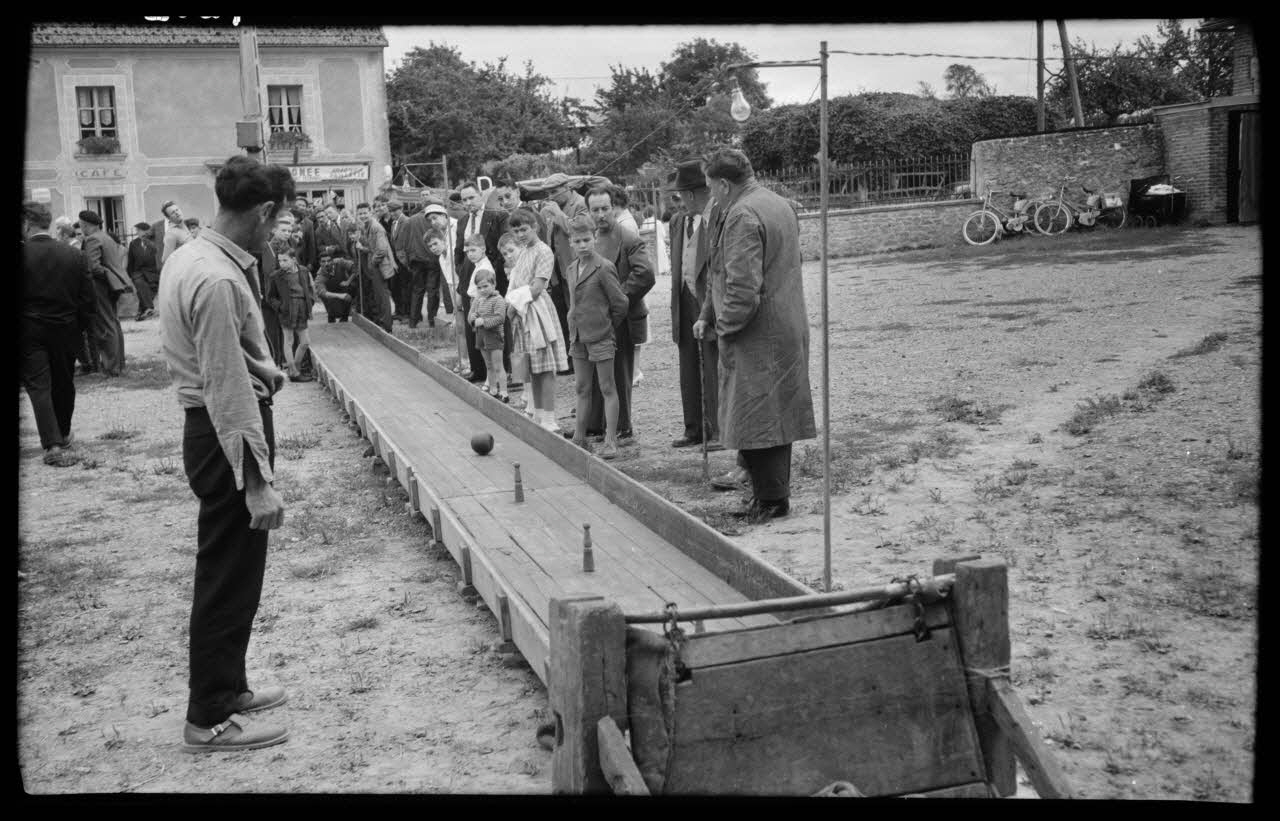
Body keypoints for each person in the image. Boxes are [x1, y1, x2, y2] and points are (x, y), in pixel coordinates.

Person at [156, 154, 292, 753]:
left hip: (216, 427)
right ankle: (208, 715)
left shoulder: (193, 255)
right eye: (277, 220)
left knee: (239, 569)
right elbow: (223, 384)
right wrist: (257, 478)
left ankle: (230, 685)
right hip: (225, 432)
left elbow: (228, 358)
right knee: (226, 577)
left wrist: (266, 367)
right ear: (263, 212)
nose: (275, 230)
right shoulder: (216, 277)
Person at [693, 148, 816, 520]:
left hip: (758, 332)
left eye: (712, 186)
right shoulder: (777, 203)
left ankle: (771, 501)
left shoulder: (742, 214)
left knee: (759, 416)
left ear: (725, 184)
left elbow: (743, 287)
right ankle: (769, 495)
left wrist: (724, 327)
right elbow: (720, 273)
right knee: (775, 414)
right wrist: (707, 314)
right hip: (784, 325)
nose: (712, 194)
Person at [21, 201, 94, 467]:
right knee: (64, 382)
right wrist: (79, 327)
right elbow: (88, 299)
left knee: (39, 386)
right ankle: (63, 433)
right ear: (47, 223)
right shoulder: (73, 255)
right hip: (65, 327)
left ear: (27, 224)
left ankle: (52, 443)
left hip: (30, 330)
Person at [582, 185, 654, 443]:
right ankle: (596, 424)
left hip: (621, 317)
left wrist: (617, 299)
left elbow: (645, 274)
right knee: (597, 372)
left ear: (614, 207)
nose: (600, 214)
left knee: (619, 373)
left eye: (605, 208)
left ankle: (623, 426)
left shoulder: (627, 236)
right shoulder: (590, 237)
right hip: (594, 318)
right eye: (595, 210)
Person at [666, 159, 726, 458]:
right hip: (684, 299)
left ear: (691, 194)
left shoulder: (718, 217)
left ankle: (717, 429)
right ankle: (694, 429)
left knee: (713, 364)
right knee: (688, 364)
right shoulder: (678, 222)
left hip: (709, 300)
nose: (678, 201)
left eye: (680, 195)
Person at [564, 215, 629, 459]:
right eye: (577, 241)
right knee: (581, 387)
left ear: (594, 239)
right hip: (578, 336)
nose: (582, 245)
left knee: (607, 386)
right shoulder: (571, 269)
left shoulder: (603, 268)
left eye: (586, 240)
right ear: (571, 242)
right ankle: (579, 437)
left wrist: (606, 325)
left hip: (600, 335)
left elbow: (620, 303)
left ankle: (611, 440)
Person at [503, 210, 567, 432]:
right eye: (516, 230)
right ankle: (538, 413)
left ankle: (549, 417)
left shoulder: (543, 250)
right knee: (530, 367)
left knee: (545, 366)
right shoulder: (523, 252)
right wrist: (509, 304)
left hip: (535, 310)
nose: (520, 234)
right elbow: (515, 282)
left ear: (535, 227)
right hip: (521, 311)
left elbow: (537, 288)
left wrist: (513, 305)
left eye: (524, 229)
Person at [530, 175, 587, 375]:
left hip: (576, 268)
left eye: (554, 191)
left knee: (578, 313)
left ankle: (582, 359)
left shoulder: (581, 204)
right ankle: (569, 360)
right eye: (548, 193)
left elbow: (580, 230)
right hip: (558, 270)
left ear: (567, 187)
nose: (551, 196)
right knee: (564, 316)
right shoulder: (554, 208)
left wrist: (557, 213)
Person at [79, 209, 132, 376]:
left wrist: (107, 276)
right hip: (111, 286)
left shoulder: (93, 239)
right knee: (114, 323)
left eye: (81, 224)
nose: (81, 227)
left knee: (105, 326)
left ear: (86, 224)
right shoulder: (106, 237)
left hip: (100, 286)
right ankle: (119, 365)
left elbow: (93, 267)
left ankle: (111, 368)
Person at [264, 224, 315, 383]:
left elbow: (309, 289)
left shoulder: (303, 271)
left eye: (285, 260)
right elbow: (270, 297)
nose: (281, 264)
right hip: (287, 310)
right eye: (280, 261)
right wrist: (280, 307)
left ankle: (295, 367)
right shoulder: (276, 276)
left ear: (293, 260)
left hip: (302, 309)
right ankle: (293, 371)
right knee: (289, 340)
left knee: (305, 342)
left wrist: (310, 302)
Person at [467, 268, 509, 402]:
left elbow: (500, 318)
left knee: (498, 365)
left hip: (494, 335)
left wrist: (483, 321)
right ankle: (493, 389)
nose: (482, 290)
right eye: (479, 287)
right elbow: (470, 317)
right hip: (481, 336)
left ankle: (504, 392)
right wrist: (472, 318)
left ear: (493, 284)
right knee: (489, 365)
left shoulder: (498, 299)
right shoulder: (477, 300)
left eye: (485, 286)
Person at [354, 202, 395, 333]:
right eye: (360, 214)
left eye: (365, 213)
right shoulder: (367, 226)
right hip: (375, 265)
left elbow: (381, 250)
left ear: (370, 212)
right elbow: (373, 248)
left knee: (382, 296)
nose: (363, 216)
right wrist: (363, 248)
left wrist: (373, 261)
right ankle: (383, 323)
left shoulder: (376, 227)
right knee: (378, 295)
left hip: (379, 266)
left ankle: (387, 327)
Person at [126, 221, 161, 320]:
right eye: (138, 231)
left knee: (151, 288)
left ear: (146, 231)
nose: (138, 232)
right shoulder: (133, 243)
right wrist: (130, 274)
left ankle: (141, 312)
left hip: (151, 272)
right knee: (139, 283)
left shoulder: (153, 243)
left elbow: (157, 258)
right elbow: (131, 260)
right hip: (138, 272)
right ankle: (149, 307)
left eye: (140, 230)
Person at [314, 245, 355, 323]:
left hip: (342, 290)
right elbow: (322, 292)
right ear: (320, 263)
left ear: (332, 261)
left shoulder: (340, 262)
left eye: (329, 261)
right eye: (323, 261)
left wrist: (348, 281)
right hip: (331, 296)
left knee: (351, 288)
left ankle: (345, 316)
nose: (327, 264)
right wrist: (341, 296)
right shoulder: (320, 276)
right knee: (329, 303)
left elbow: (354, 267)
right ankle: (331, 315)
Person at [159, 200, 191, 265]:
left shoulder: (187, 227)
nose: (177, 213)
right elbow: (165, 261)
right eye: (173, 212)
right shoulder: (171, 234)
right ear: (169, 218)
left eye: (177, 210)